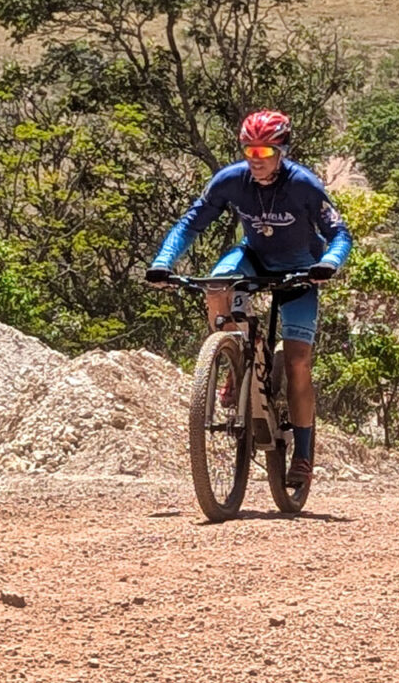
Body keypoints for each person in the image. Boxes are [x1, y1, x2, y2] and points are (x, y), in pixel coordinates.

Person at [146, 110, 352, 492]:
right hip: (253, 256)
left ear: (282, 151)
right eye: (249, 150)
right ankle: (231, 356)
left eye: (265, 151)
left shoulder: (303, 185)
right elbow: (191, 223)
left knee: (298, 362)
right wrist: (162, 262)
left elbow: (340, 234)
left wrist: (329, 263)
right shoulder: (230, 180)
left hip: (302, 270)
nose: (256, 158)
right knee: (216, 286)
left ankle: (303, 455)